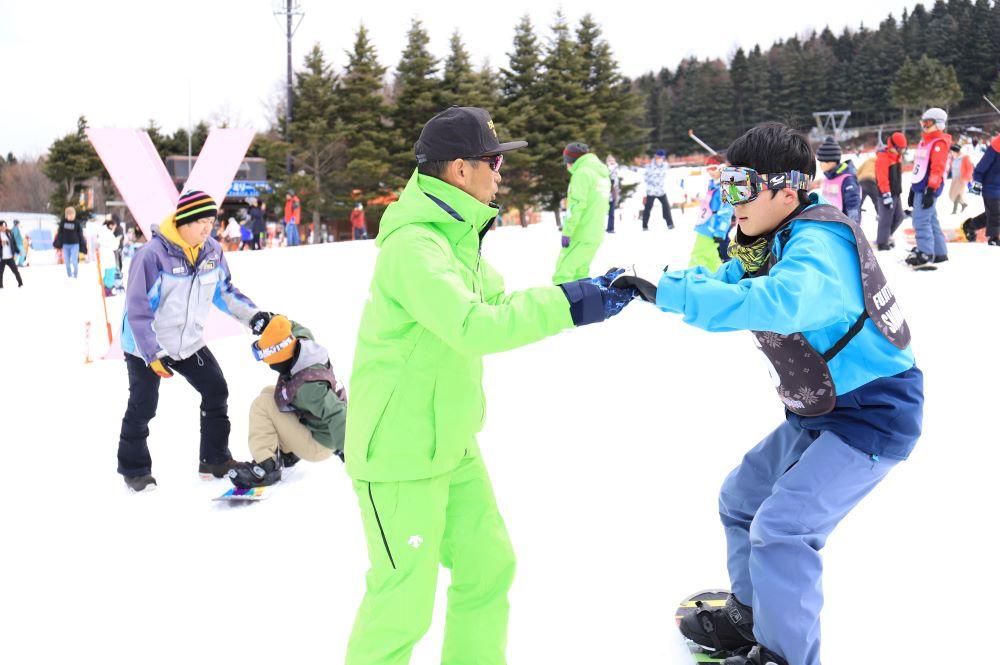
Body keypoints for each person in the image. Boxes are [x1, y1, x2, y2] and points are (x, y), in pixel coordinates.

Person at [343, 106, 636, 665]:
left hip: (450, 442)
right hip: (401, 454)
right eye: (495, 162)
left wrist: (580, 295)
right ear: (460, 169)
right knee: (402, 603)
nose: (502, 174)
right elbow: (473, 326)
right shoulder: (415, 247)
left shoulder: (455, 239)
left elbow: (497, 303)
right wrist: (572, 305)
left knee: (487, 566)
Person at [621, 123, 922, 665]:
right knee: (742, 499)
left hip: (873, 415)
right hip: (823, 410)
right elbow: (729, 280)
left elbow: (777, 301)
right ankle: (754, 615)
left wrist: (673, 294)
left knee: (783, 529)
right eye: (725, 185)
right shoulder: (773, 239)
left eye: (742, 187)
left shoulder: (819, 245)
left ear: (788, 190)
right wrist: (662, 284)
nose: (730, 201)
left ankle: (786, 656)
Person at [117, 190, 275, 492]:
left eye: (211, 222)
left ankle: (215, 459)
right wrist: (151, 353)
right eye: (201, 222)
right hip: (146, 344)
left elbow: (225, 291)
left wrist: (254, 316)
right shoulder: (151, 256)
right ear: (184, 222)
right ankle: (134, 469)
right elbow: (138, 309)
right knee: (143, 406)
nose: (207, 229)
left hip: (187, 341)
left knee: (216, 390)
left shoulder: (211, 252)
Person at [228, 315, 347, 488]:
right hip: (316, 428)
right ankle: (287, 452)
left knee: (261, 405)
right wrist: (269, 320)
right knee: (268, 392)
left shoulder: (308, 387)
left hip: (318, 446)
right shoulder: (301, 342)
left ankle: (266, 467)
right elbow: (289, 325)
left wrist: (348, 450)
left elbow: (337, 412)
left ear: (278, 360)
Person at [552, 142, 611, 284]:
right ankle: (582, 299)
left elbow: (576, 206)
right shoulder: (602, 174)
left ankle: (562, 299)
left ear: (571, 160)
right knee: (581, 273)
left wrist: (567, 232)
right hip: (595, 234)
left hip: (580, 234)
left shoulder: (582, 173)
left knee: (563, 274)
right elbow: (605, 206)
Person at [906, 107, 953, 267]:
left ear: (939, 124)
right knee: (930, 219)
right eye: (923, 123)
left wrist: (931, 190)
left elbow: (937, 169)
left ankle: (925, 252)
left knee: (920, 220)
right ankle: (939, 252)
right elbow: (918, 167)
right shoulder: (924, 142)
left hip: (929, 187)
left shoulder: (939, 143)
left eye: (928, 123)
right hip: (920, 186)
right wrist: (913, 189)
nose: (924, 126)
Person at [688, 155, 734, 271]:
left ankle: (692, 277)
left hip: (712, 229)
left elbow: (727, 211)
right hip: (704, 225)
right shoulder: (713, 185)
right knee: (711, 258)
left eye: (713, 168)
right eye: (708, 169)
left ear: (721, 168)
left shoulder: (725, 187)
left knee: (698, 256)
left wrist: (720, 231)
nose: (710, 172)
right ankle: (718, 276)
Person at [874, 131, 907, 250]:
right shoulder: (883, 157)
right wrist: (886, 194)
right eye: (900, 148)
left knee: (899, 217)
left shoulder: (897, 156)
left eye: (903, 149)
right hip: (886, 193)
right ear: (893, 145)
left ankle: (886, 236)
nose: (901, 151)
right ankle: (882, 243)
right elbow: (882, 177)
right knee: (886, 220)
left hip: (896, 192)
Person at [816, 136, 861, 224]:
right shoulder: (828, 177)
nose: (820, 165)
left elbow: (853, 205)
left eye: (822, 162)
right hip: (829, 223)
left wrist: (853, 226)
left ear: (831, 161)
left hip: (843, 225)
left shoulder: (847, 179)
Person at [970, 132, 1000, 245]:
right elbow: (981, 166)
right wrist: (977, 182)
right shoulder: (996, 147)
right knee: (996, 213)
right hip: (991, 186)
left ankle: (970, 226)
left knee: (991, 213)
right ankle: (994, 238)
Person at [642, 149, 673, 229]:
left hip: (661, 191)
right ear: (655, 157)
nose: (660, 159)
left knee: (666, 206)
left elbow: (667, 175)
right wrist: (652, 182)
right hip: (651, 191)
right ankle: (644, 226)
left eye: (661, 158)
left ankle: (670, 224)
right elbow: (645, 177)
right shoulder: (650, 166)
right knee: (648, 208)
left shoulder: (665, 166)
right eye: (658, 157)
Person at [53, 206, 87, 278]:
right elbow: (60, 233)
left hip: (75, 245)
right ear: (67, 215)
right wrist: (57, 243)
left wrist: (83, 244)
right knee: (67, 262)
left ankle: (75, 276)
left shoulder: (76, 223)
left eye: (72, 214)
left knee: (74, 261)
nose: (71, 216)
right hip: (65, 245)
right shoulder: (63, 222)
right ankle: (69, 276)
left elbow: (80, 234)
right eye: (70, 214)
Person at [947, 144, 973, 215]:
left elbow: (970, 168)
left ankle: (954, 210)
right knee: (951, 195)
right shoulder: (954, 158)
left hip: (961, 179)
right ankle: (963, 204)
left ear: (956, 151)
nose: (951, 153)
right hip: (954, 179)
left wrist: (967, 179)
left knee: (956, 194)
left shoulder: (965, 157)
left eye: (952, 152)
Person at [0, 220, 24, 288]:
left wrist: (18, 251)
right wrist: (1, 244)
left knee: (15, 271)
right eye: (2, 226)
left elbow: (14, 244)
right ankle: (0, 286)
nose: (4, 227)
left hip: (10, 257)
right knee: (0, 273)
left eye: (5, 226)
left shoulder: (10, 233)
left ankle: (20, 284)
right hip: (2, 258)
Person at [606, 154, 621, 233]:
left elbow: (616, 183)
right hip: (605, 194)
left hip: (613, 194)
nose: (611, 162)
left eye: (612, 160)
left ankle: (610, 228)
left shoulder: (616, 170)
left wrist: (617, 193)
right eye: (609, 160)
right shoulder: (605, 169)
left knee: (611, 213)